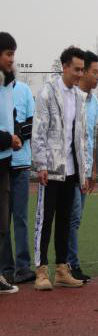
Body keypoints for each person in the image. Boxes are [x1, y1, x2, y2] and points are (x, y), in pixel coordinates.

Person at [32, 46, 89, 291]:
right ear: (64, 67)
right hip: (51, 169)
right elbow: (39, 131)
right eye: (76, 69)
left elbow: (82, 137)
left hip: (72, 170)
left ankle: (62, 270)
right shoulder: (47, 93)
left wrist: (84, 171)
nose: (80, 74)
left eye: (82, 70)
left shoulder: (80, 97)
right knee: (45, 220)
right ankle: (41, 271)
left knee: (65, 220)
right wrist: (41, 164)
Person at [67, 50, 98, 283]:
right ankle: (71, 264)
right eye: (94, 72)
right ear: (84, 72)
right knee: (73, 216)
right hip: (71, 169)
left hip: (86, 170)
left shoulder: (94, 103)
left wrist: (93, 168)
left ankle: (69, 263)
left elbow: (91, 138)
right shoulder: (71, 99)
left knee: (75, 218)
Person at [0, 71, 36, 286]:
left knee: (21, 217)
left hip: (21, 164)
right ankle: (6, 269)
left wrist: (17, 135)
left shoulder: (24, 90)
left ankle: (23, 267)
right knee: (3, 219)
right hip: (3, 164)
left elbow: (32, 123)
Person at [0, 32, 20, 294]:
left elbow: (10, 115)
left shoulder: (8, 85)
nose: (11, 59)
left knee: (2, 224)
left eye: (13, 54)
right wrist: (7, 138)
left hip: (4, 162)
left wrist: (15, 136)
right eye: (8, 53)